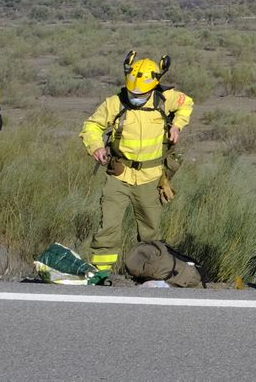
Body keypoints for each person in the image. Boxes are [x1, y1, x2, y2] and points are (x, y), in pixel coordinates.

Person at [79, 52, 193, 277]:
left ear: (153, 88)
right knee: (108, 227)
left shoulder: (165, 99)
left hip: (151, 177)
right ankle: (101, 273)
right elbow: (91, 126)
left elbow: (186, 104)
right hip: (118, 176)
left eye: (140, 94)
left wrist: (177, 126)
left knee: (150, 230)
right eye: (132, 93)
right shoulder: (114, 103)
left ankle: (148, 275)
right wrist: (96, 147)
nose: (135, 97)